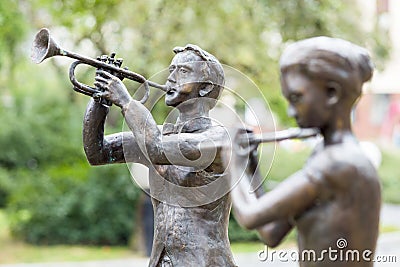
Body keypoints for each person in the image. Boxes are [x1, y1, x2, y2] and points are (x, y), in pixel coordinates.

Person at [228, 37, 381, 267]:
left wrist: (229, 158)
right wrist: (251, 167)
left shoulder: (338, 163)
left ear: (331, 93)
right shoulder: (323, 156)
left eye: (296, 98)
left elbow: (250, 216)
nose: (290, 111)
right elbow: (271, 233)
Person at [83, 44, 237, 266]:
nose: (170, 79)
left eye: (182, 72)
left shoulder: (218, 140)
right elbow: (96, 152)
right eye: (171, 70)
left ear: (204, 88)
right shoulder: (160, 135)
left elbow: (156, 148)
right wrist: (100, 100)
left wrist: (126, 102)